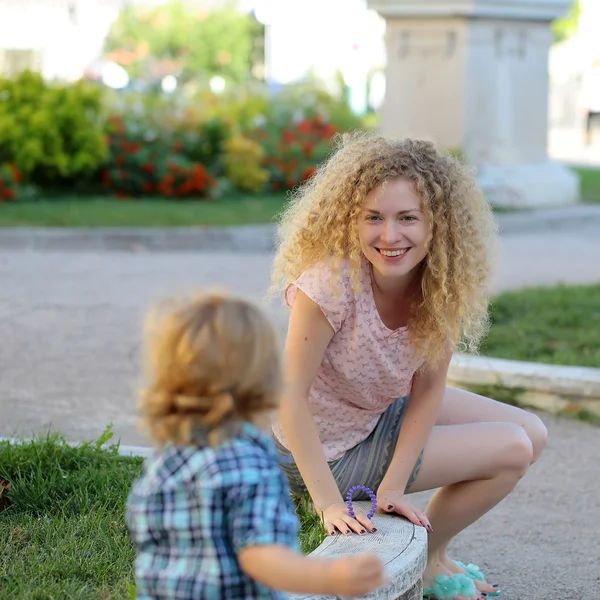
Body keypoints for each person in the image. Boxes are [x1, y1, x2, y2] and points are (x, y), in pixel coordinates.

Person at [270, 133, 548, 600]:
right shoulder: (329, 287)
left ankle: (432, 554)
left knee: (533, 432)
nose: (390, 236)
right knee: (512, 448)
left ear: (436, 222)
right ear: (350, 220)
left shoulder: (440, 284)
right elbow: (288, 397)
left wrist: (395, 485)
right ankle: (427, 563)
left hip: (380, 413)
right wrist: (328, 504)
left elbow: (426, 392)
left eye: (407, 219)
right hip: (324, 452)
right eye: (373, 218)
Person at [125, 291, 385, 599]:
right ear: (264, 379)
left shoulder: (166, 460)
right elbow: (260, 557)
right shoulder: (247, 465)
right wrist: (330, 576)